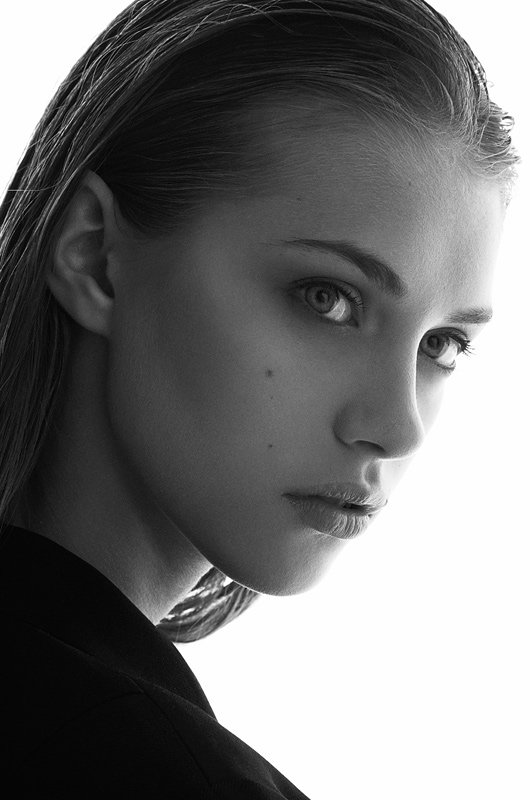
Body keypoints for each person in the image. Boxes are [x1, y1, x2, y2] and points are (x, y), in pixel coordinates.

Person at [0, 0, 520, 796]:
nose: (395, 427)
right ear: (95, 257)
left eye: (441, 345)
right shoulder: (143, 765)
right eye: (325, 298)